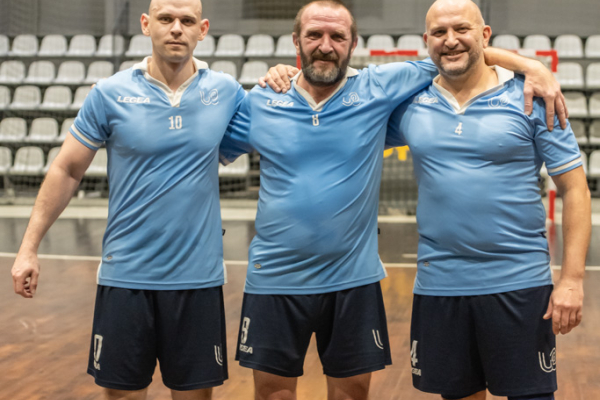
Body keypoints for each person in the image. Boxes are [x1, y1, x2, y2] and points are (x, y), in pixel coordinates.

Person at [220, 1, 568, 399]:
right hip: (273, 277)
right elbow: (205, 150)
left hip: (354, 279)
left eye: (337, 36)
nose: (325, 45)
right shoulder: (262, 100)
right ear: (296, 41)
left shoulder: (379, 88)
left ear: (353, 44)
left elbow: (456, 55)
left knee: (352, 393)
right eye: (314, 35)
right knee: (271, 393)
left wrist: (532, 67)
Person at [10, 0, 247, 399]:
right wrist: (28, 248)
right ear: (146, 24)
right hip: (125, 278)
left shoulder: (227, 93)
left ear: (203, 29)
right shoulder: (109, 93)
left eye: (187, 20)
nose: (176, 28)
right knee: (122, 394)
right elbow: (67, 170)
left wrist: (281, 75)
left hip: (198, 280)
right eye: (166, 19)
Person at [384, 1, 591, 399]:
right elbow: (340, 94)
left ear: (485, 34)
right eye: (439, 33)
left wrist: (572, 280)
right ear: (426, 40)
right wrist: (287, 73)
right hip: (439, 285)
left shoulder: (533, 97)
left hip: (520, 284)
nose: (450, 40)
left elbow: (575, 189)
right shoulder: (409, 102)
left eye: (462, 29)